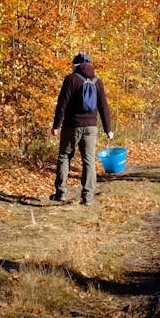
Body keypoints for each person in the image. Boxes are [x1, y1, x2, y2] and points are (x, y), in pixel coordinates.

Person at [51, 53, 113, 205]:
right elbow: (103, 107)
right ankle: (87, 197)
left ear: (75, 65)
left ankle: (61, 193)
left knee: (65, 157)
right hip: (91, 127)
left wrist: (56, 126)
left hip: (71, 126)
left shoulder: (71, 79)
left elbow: (62, 105)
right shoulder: (97, 81)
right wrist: (108, 129)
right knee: (89, 161)